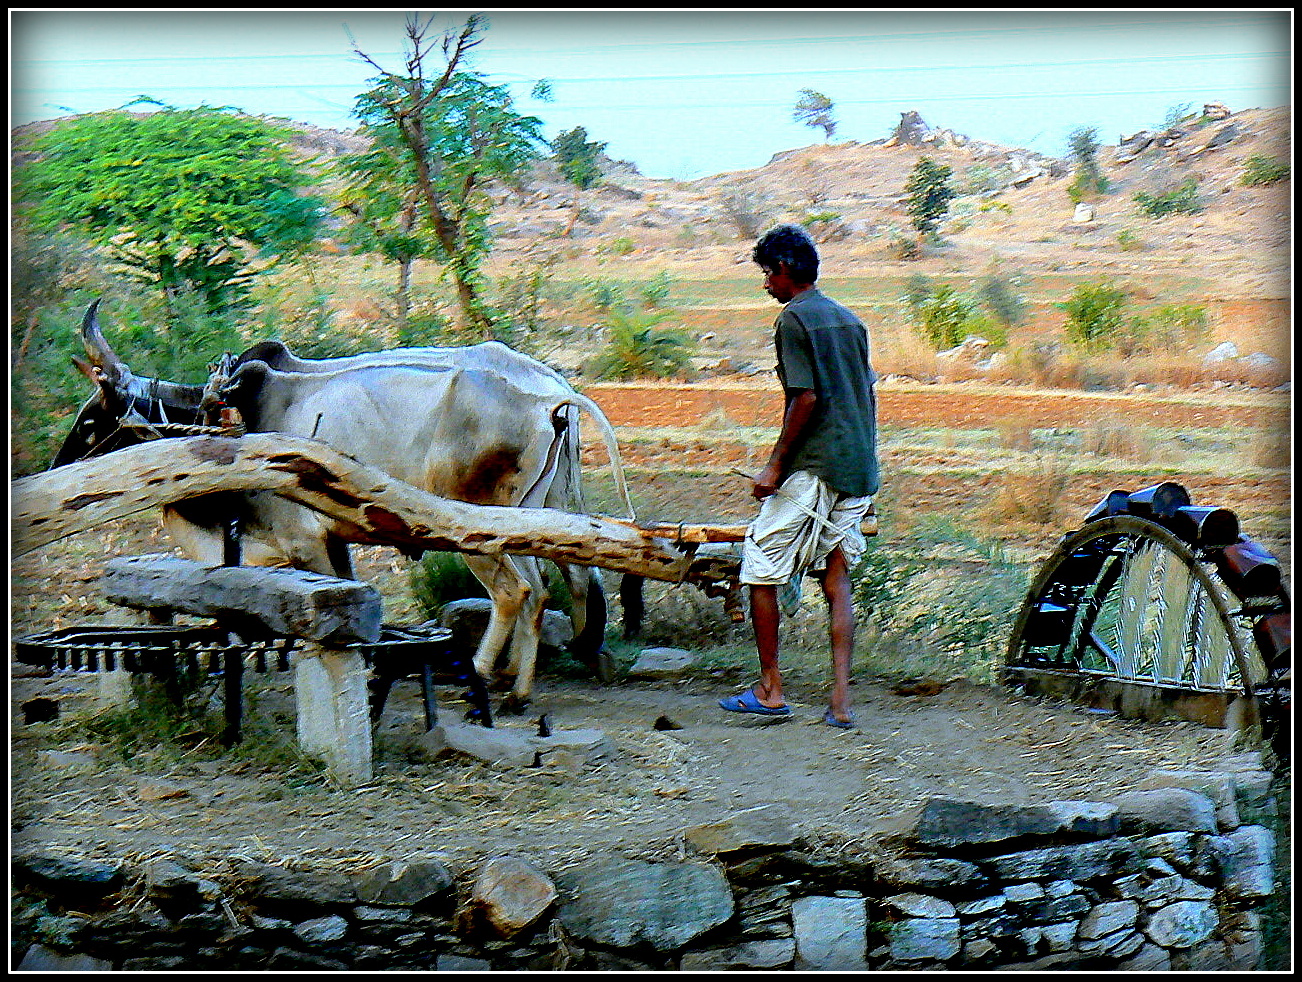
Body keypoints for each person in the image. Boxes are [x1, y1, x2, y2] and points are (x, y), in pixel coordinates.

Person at [718, 224, 880, 729]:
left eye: (767, 273)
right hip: (857, 467)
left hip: (814, 467)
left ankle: (770, 690)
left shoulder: (794, 320)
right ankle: (840, 702)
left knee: (760, 567)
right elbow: (867, 395)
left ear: (785, 270)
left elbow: (805, 398)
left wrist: (773, 467)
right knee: (837, 578)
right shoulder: (849, 321)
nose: (765, 284)